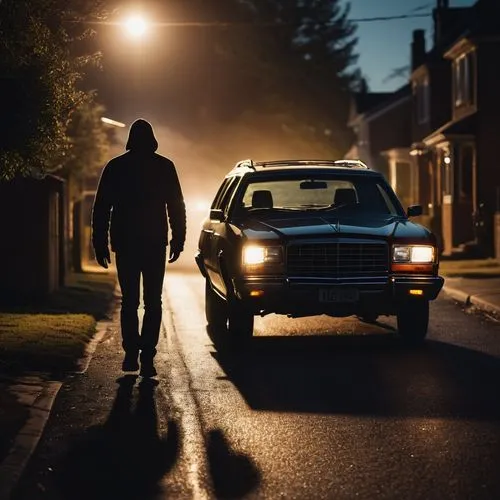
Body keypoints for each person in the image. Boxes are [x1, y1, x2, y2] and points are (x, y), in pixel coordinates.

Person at [92, 119, 186, 377]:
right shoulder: (165, 167)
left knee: (130, 302)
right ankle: (147, 356)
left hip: (126, 244)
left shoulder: (116, 167)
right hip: (154, 243)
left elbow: (102, 209)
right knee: (152, 302)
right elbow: (176, 207)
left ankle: (132, 353)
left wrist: (99, 242)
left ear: (131, 139)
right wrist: (179, 238)